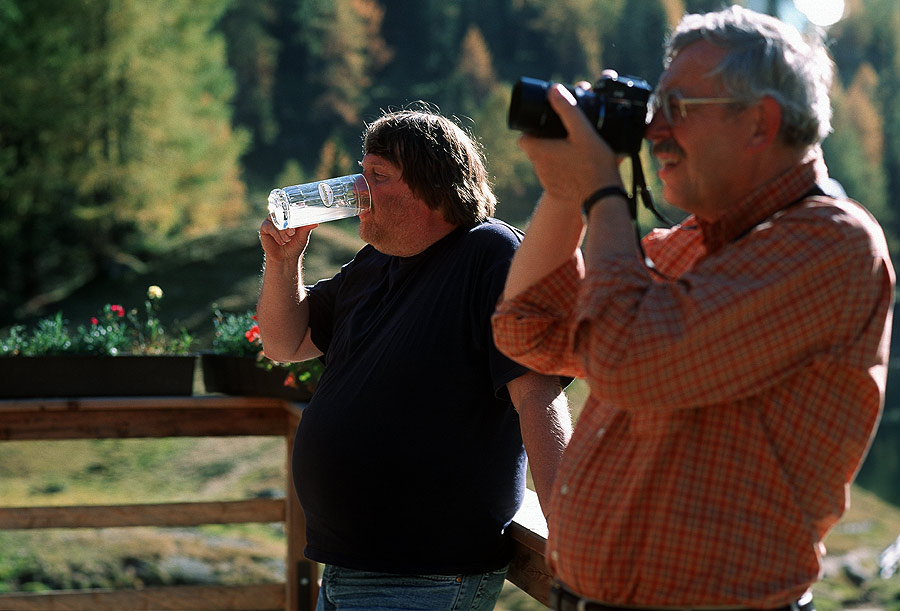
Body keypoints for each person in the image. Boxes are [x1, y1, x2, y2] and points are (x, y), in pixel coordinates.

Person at [492, 6, 894, 611]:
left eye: (677, 109)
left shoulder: (830, 244)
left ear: (761, 122)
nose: (653, 130)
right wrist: (565, 192)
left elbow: (629, 358)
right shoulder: (688, 245)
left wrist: (602, 191)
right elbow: (528, 330)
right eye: (657, 106)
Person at [257, 106, 571, 610]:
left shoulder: (488, 255)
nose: (358, 190)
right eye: (361, 174)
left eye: (377, 177)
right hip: (347, 567)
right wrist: (281, 261)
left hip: (427, 575)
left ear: (435, 187)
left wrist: (572, 531)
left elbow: (537, 395)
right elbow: (284, 343)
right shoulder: (374, 263)